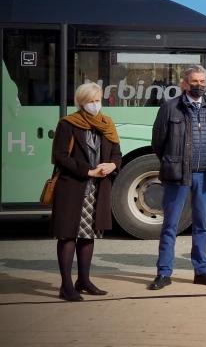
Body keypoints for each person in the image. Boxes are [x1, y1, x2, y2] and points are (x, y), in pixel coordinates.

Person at [149, 65, 206, 290]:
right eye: (195, 81)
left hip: (204, 174)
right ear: (184, 83)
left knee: (201, 224)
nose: (199, 85)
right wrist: (173, 162)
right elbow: (158, 143)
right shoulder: (170, 108)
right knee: (170, 225)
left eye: (203, 81)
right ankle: (163, 273)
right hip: (177, 175)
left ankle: (201, 271)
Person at [51, 83, 121, 301]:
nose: (95, 104)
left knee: (88, 235)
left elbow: (117, 153)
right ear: (81, 102)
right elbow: (60, 157)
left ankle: (84, 280)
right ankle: (66, 285)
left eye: (98, 99)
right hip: (73, 186)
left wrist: (112, 166)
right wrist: (88, 171)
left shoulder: (107, 124)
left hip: (98, 189)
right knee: (68, 235)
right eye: (91, 101)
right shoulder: (68, 124)